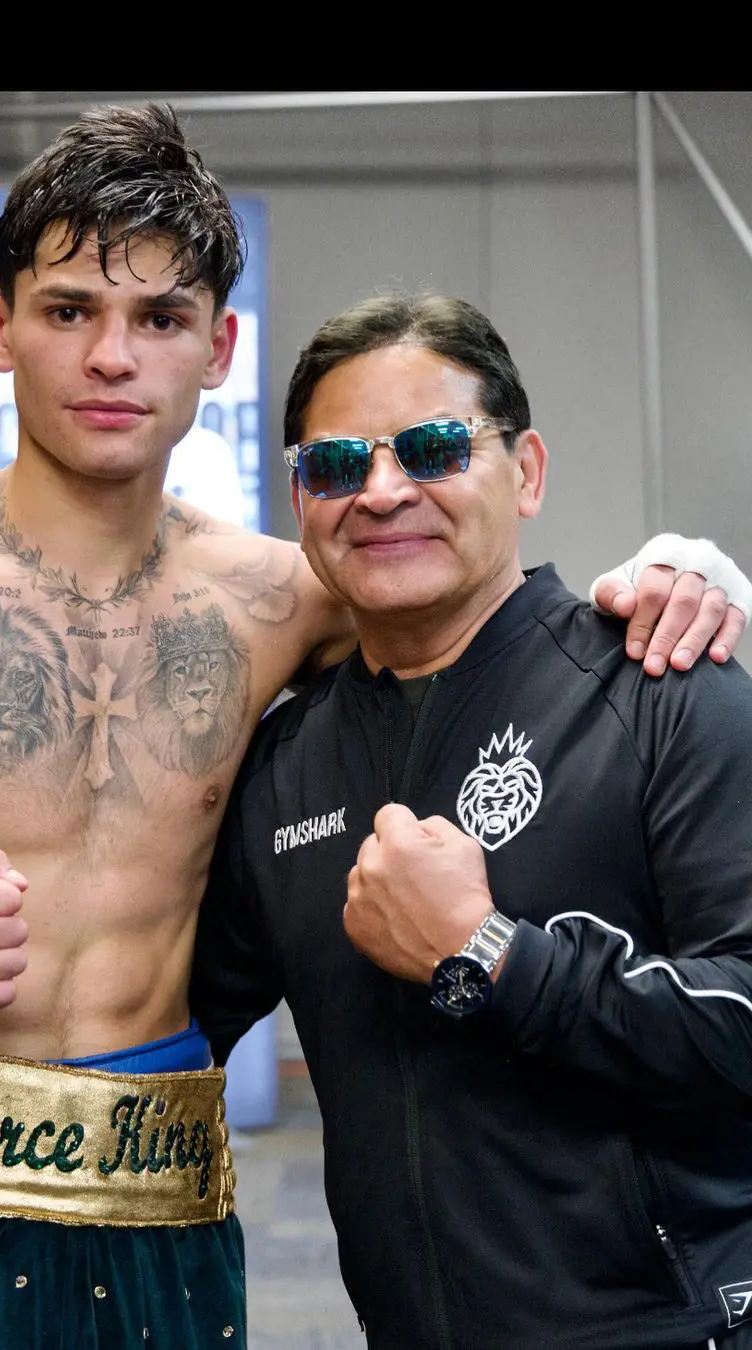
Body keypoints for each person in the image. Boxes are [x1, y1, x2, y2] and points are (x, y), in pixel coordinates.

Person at [0, 105, 742, 1350]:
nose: (113, 357)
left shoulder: (287, 602)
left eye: (160, 319)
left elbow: (472, 603)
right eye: (70, 309)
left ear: (219, 348)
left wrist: (671, 580)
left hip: (161, 1199)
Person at [189, 288, 752, 1350]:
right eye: (338, 466)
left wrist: (491, 960)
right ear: (301, 500)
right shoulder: (285, 768)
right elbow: (171, 1027)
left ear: (526, 471)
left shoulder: (666, 690)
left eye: (435, 447)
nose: (383, 491)